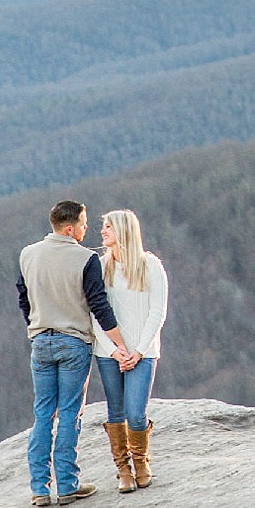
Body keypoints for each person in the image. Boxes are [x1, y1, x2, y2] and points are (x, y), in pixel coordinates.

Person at [17, 200, 132, 507]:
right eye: (83, 224)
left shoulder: (28, 254)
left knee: (43, 413)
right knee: (69, 413)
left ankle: (40, 488)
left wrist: (38, 324)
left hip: (40, 341)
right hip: (74, 342)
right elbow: (98, 304)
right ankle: (67, 485)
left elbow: (23, 298)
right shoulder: (86, 259)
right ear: (69, 229)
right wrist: (119, 343)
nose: (86, 229)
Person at [93, 208, 169, 492]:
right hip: (109, 353)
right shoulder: (100, 267)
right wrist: (114, 351)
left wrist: (138, 350)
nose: (102, 232)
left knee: (135, 413)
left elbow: (157, 311)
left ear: (124, 230)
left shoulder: (150, 265)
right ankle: (123, 469)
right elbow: (93, 314)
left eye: (108, 227)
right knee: (115, 411)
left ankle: (141, 461)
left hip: (143, 351)